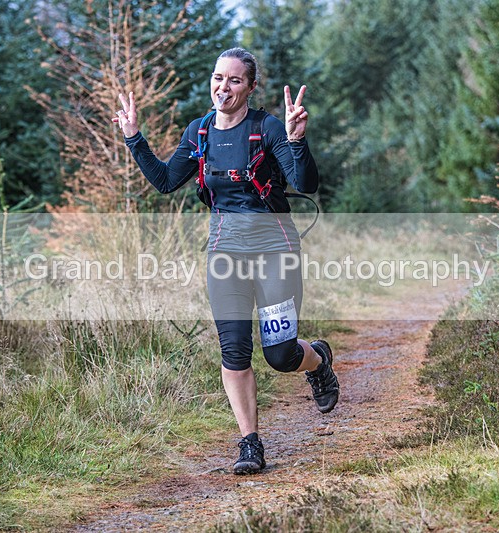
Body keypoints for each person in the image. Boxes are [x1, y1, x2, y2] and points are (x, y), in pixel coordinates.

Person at [114, 47, 339, 475]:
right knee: (234, 350)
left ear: (251, 87)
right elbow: (164, 181)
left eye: (235, 80)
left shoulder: (267, 127)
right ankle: (250, 442)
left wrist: (295, 140)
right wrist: (134, 138)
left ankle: (318, 359)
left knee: (279, 355)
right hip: (225, 255)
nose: (224, 87)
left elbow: (305, 183)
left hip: (275, 254)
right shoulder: (199, 132)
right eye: (219, 78)